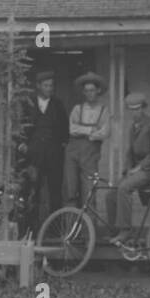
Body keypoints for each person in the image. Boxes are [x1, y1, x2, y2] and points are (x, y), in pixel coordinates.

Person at [110, 92, 150, 244]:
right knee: (111, 194)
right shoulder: (133, 127)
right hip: (138, 170)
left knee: (123, 188)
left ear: (143, 108)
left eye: (137, 109)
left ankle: (125, 231)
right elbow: (131, 152)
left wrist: (140, 167)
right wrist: (127, 169)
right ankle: (115, 231)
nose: (135, 112)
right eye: (131, 109)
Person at [18, 69, 68, 224]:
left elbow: (65, 129)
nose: (49, 88)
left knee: (55, 191)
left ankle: (55, 228)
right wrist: (22, 143)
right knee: (33, 190)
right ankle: (32, 228)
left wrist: (60, 146)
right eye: (46, 85)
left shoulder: (58, 104)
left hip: (54, 154)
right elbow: (20, 125)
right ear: (38, 86)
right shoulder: (28, 103)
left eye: (51, 86)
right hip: (33, 154)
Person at [64, 72, 112, 210]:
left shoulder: (104, 111)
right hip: (72, 153)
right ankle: (70, 230)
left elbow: (105, 132)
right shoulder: (77, 109)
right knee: (70, 191)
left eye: (92, 90)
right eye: (86, 91)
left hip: (90, 156)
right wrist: (90, 131)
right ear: (83, 92)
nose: (89, 93)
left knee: (89, 193)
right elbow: (72, 129)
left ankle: (89, 231)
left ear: (98, 91)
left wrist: (84, 131)